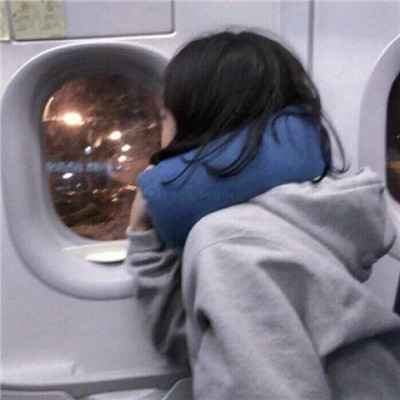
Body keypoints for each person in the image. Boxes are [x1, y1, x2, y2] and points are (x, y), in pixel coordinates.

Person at [125, 31, 400, 399]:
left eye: (163, 118)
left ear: (192, 123)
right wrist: (145, 240)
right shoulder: (298, 215)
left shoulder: (231, 242)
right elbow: (203, 344)